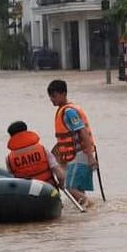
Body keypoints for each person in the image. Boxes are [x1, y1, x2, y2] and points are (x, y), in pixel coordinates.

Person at [47, 79, 98, 207]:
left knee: (70, 187)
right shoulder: (63, 111)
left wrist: (90, 157)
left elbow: (83, 132)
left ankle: (93, 209)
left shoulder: (69, 112)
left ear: (63, 94)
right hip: (75, 156)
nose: (52, 100)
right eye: (50, 97)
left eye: (54, 96)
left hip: (80, 155)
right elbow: (64, 137)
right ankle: (85, 221)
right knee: (79, 190)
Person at [5, 120, 64, 188]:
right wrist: (61, 183)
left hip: (26, 193)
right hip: (48, 189)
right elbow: (57, 171)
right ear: (26, 132)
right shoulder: (42, 149)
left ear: (11, 137)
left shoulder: (9, 159)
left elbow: (10, 180)